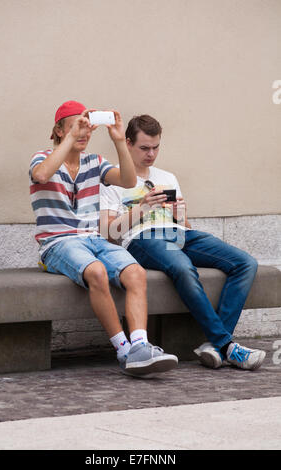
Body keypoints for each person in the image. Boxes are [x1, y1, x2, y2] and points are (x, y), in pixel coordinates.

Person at [100, 114, 266, 370]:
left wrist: (181, 216)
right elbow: (109, 233)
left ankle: (214, 345)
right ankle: (227, 345)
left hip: (181, 234)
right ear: (129, 144)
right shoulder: (113, 180)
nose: (151, 154)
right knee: (183, 267)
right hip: (145, 238)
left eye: (156, 147)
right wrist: (142, 208)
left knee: (244, 263)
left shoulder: (167, 176)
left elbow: (184, 226)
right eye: (144, 148)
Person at [29, 101, 178, 378]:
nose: (83, 133)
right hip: (58, 242)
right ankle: (124, 352)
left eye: (86, 127)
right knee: (96, 271)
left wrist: (120, 140)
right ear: (59, 130)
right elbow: (41, 175)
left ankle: (140, 347)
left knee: (135, 273)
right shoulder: (42, 158)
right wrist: (72, 137)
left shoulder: (95, 162)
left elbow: (128, 179)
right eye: (75, 127)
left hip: (93, 239)